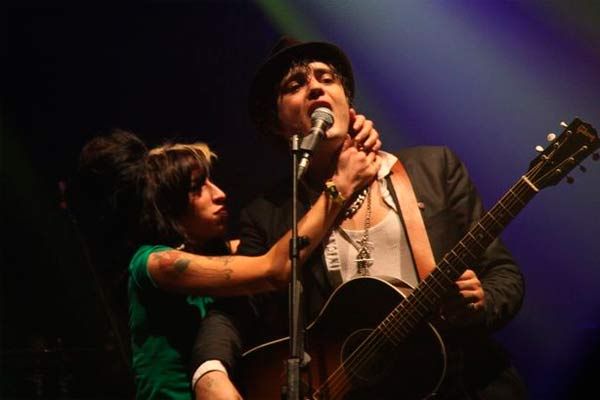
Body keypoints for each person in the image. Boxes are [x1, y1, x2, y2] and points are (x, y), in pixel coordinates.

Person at [192, 37, 527, 399]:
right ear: (277, 124)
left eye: (327, 78)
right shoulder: (268, 215)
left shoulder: (434, 168)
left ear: (348, 104)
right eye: (295, 85)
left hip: (462, 384)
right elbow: (232, 311)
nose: (315, 87)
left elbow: (503, 273)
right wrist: (209, 373)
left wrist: (481, 303)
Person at [73, 128, 380, 400]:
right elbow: (275, 268)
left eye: (212, 182)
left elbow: (284, 244)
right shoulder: (156, 262)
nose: (220, 194)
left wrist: (351, 136)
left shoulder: (223, 253)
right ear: (169, 205)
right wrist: (339, 186)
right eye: (198, 187)